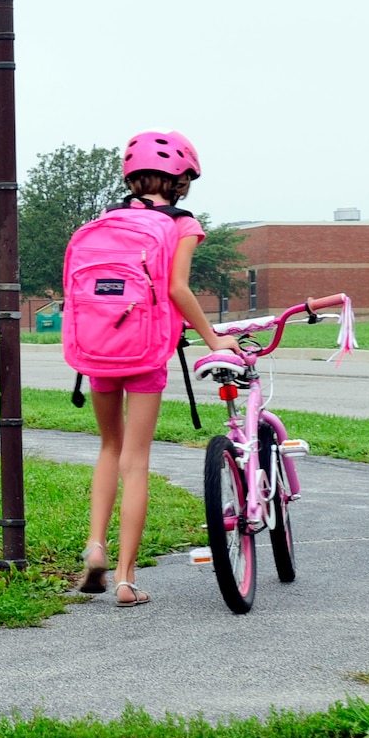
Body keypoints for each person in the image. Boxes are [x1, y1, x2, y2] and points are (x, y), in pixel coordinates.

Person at [72, 130, 237, 605]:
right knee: (136, 461)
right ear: (180, 178)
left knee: (108, 447)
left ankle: (95, 546)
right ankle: (125, 579)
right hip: (145, 354)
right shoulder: (182, 224)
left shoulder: (106, 221)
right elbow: (177, 290)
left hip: (99, 349)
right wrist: (213, 337)